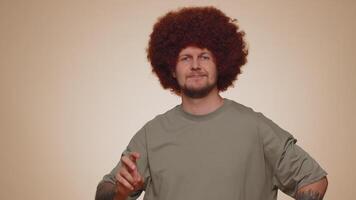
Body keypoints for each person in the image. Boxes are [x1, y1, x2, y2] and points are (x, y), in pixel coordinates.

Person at [95, 6, 328, 200]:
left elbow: (313, 179)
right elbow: (104, 191)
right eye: (185, 58)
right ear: (171, 69)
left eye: (205, 56)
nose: (195, 65)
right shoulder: (151, 134)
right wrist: (121, 191)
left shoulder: (255, 128)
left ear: (222, 63)